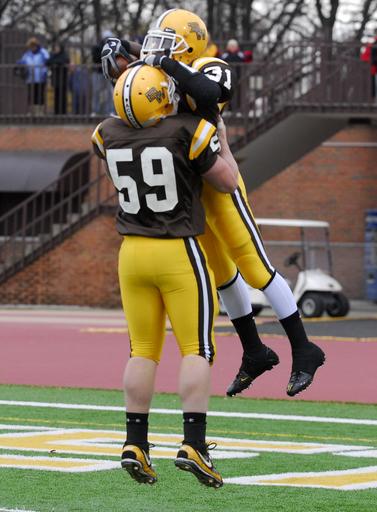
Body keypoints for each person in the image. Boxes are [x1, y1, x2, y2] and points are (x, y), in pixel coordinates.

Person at [101, 8, 325, 399]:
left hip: (219, 180)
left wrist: (163, 62)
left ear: (189, 44)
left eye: (170, 43)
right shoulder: (168, 66)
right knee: (222, 275)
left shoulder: (209, 65)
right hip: (187, 190)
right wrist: (128, 57)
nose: (160, 49)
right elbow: (147, 84)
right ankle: (254, 351)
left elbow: (210, 94)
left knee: (254, 266)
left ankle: (305, 349)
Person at [91, 64, 238, 487]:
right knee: (196, 348)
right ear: (160, 98)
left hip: (131, 253)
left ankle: (134, 442)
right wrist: (221, 140)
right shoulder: (187, 132)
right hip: (178, 248)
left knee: (142, 350)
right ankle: (195, 443)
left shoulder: (105, 134)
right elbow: (226, 183)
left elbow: (130, 128)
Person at [16, 37, 49, 116]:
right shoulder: (27, 54)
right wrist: (19, 63)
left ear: (36, 45)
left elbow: (47, 61)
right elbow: (23, 61)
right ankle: (32, 111)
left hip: (40, 77)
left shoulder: (43, 52)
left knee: (40, 94)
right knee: (31, 95)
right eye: (31, 46)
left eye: (33, 46)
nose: (32, 48)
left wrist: (45, 72)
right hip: (30, 78)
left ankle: (39, 112)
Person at [91, 30, 115, 115]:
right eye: (106, 38)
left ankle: (110, 111)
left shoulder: (113, 47)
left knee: (109, 93)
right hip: (98, 73)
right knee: (96, 92)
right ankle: (95, 111)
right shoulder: (97, 47)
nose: (107, 40)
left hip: (109, 73)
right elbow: (96, 58)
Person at [47, 43, 70, 114]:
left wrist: (57, 63)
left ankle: (63, 112)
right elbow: (48, 62)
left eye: (58, 47)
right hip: (56, 79)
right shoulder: (53, 55)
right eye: (56, 47)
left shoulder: (64, 55)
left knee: (63, 96)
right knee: (56, 96)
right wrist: (56, 63)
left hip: (63, 79)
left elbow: (64, 61)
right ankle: (56, 112)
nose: (56, 49)